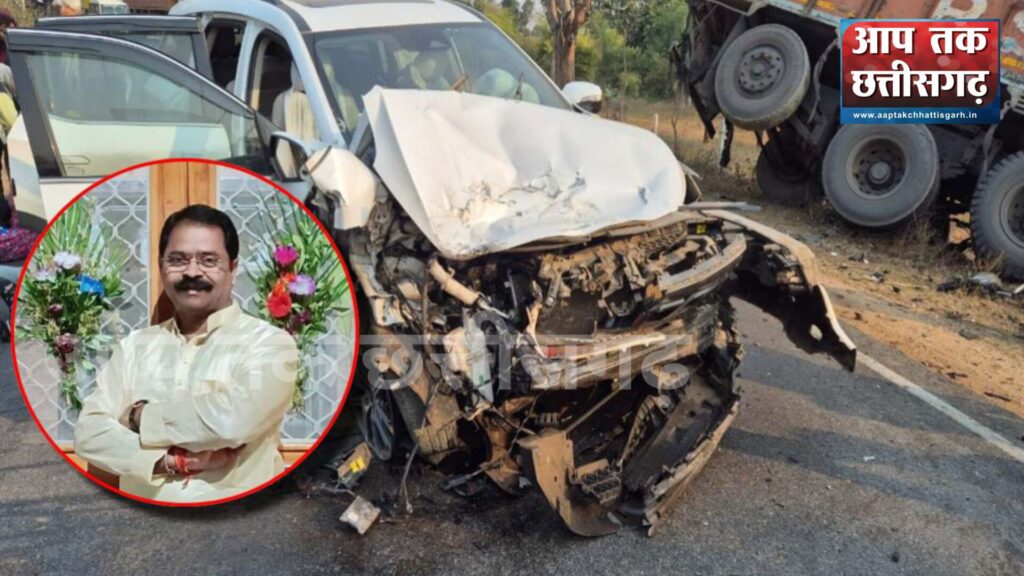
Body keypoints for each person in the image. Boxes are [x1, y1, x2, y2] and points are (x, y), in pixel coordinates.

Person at [74, 204, 300, 503]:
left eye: (209, 260)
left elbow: (232, 421)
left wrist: (138, 416)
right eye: (178, 260)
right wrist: (166, 461)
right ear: (161, 267)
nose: (192, 272)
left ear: (233, 269)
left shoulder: (268, 343)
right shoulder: (135, 347)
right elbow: (88, 433)